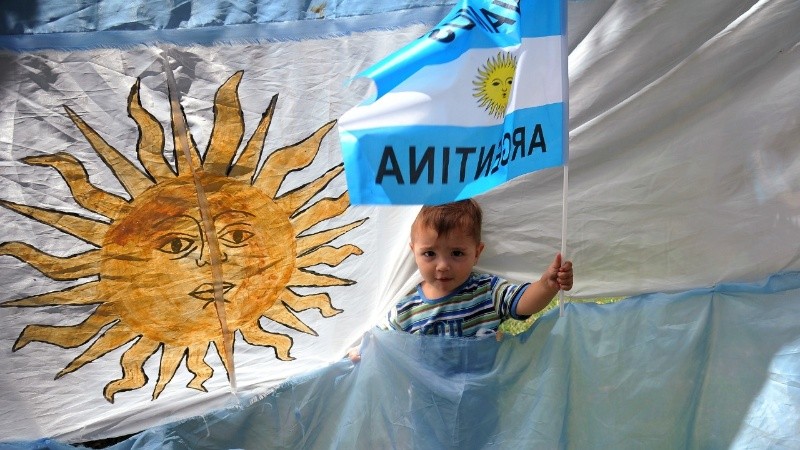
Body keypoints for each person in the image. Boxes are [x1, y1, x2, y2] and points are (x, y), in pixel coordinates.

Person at [348, 199, 573, 361]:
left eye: (457, 253)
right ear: (413, 251)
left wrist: (546, 285)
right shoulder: (405, 306)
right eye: (429, 254)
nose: (443, 265)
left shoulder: (486, 291)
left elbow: (522, 302)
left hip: (481, 405)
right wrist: (361, 351)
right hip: (427, 408)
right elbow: (380, 341)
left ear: (476, 253)